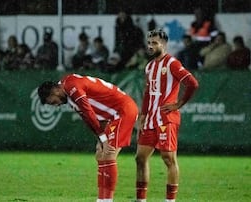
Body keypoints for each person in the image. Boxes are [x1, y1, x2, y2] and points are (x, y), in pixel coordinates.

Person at [37, 74, 138, 202]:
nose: (55, 105)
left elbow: (88, 112)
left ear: (55, 91)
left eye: (52, 101)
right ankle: (101, 199)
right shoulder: (67, 91)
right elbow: (87, 117)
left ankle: (107, 200)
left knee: (109, 154)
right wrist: (100, 138)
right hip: (112, 116)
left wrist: (105, 139)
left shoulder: (72, 87)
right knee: (100, 155)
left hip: (123, 110)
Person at [135, 29, 199, 202]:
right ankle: (140, 200)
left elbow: (192, 83)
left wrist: (178, 104)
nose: (150, 46)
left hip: (166, 118)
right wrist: (143, 115)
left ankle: (170, 201)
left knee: (168, 158)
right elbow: (148, 92)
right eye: (149, 42)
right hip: (150, 119)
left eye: (154, 43)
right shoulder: (149, 66)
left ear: (164, 44)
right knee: (140, 158)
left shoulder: (172, 63)